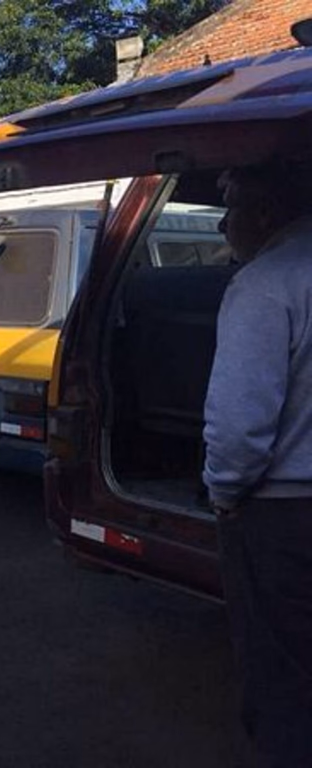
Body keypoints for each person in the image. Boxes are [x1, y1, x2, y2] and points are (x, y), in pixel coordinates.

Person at [203, 162, 312, 767]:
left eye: (231, 205)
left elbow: (240, 426)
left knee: (284, 679)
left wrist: (223, 492)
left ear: (265, 212)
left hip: (283, 517)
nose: (222, 223)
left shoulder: (265, 284)